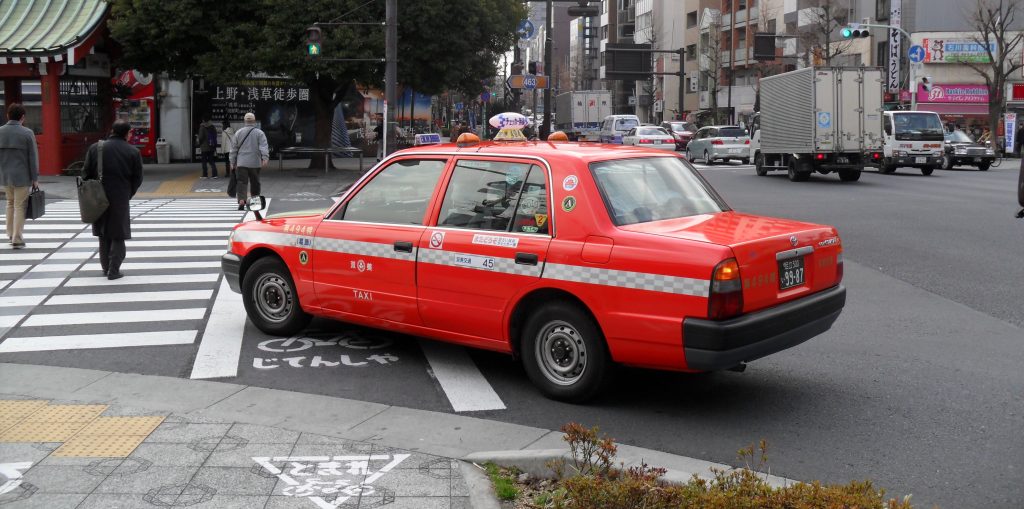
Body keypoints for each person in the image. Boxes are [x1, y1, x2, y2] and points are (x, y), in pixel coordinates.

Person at [82, 120, 144, 280]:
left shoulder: (96, 148)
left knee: (103, 232)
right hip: (120, 195)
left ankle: (105, 267)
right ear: (126, 133)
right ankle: (114, 269)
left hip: (98, 196)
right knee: (118, 233)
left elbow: (85, 173)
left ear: (112, 131)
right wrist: (128, 192)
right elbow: (138, 178)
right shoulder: (132, 151)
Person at [0, 103, 40, 249]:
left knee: (10, 203)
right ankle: (17, 237)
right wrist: (35, 178)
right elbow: (32, 156)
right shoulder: (27, 133)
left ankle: (10, 234)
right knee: (19, 206)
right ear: (22, 117)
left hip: (4, 175)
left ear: (7, 115)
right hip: (22, 176)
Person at [230, 112, 269, 211]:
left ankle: (242, 200)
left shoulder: (238, 132)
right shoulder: (259, 133)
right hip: (255, 163)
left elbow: (233, 148)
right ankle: (255, 202)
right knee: (255, 182)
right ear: (254, 121)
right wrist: (265, 157)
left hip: (241, 162)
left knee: (241, 182)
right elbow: (263, 146)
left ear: (245, 121)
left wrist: (232, 161)